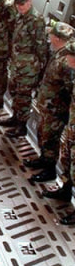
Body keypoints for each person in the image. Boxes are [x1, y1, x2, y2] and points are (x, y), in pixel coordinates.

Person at [23, 21, 75, 183]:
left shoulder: (66, 62)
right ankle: (44, 160)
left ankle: (49, 170)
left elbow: (69, 90)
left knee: (50, 140)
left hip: (56, 110)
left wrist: (60, 110)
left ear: (57, 38)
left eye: (52, 34)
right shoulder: (59, 53)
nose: (49, 35)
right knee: (44, 136)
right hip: (48, 107)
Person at [0, 0, 48, 138]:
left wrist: (40, 68)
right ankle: (15, 117)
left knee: (24, 97)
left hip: (28, 68)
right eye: (18, 4)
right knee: (14, 91)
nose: (20, 7)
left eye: (22, 4)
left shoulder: (36, 20)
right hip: (17, 64)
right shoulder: (21, 16)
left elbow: (41, 47)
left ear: (29, 1)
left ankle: (21, 127)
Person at [46, 40, 75, 222]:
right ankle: (65, 190)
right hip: (72, 127)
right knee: (67, 160)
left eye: (69, 56)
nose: (66, 59)